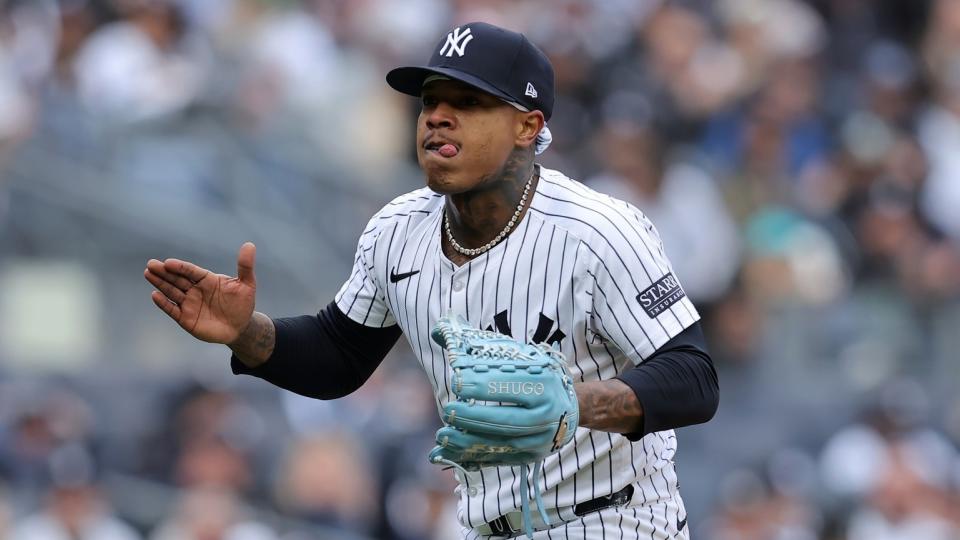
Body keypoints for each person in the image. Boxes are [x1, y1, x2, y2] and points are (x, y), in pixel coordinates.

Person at [145, 21, 719, 539]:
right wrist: (248, 333)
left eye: (466, 102)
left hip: (610, 519)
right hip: (480, 527)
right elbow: (340, 356)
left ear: (528, 125)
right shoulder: (395, 230)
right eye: (430, 102)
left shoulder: (599, 230)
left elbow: (694, 378)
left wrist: (572, 402)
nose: (438, 117)